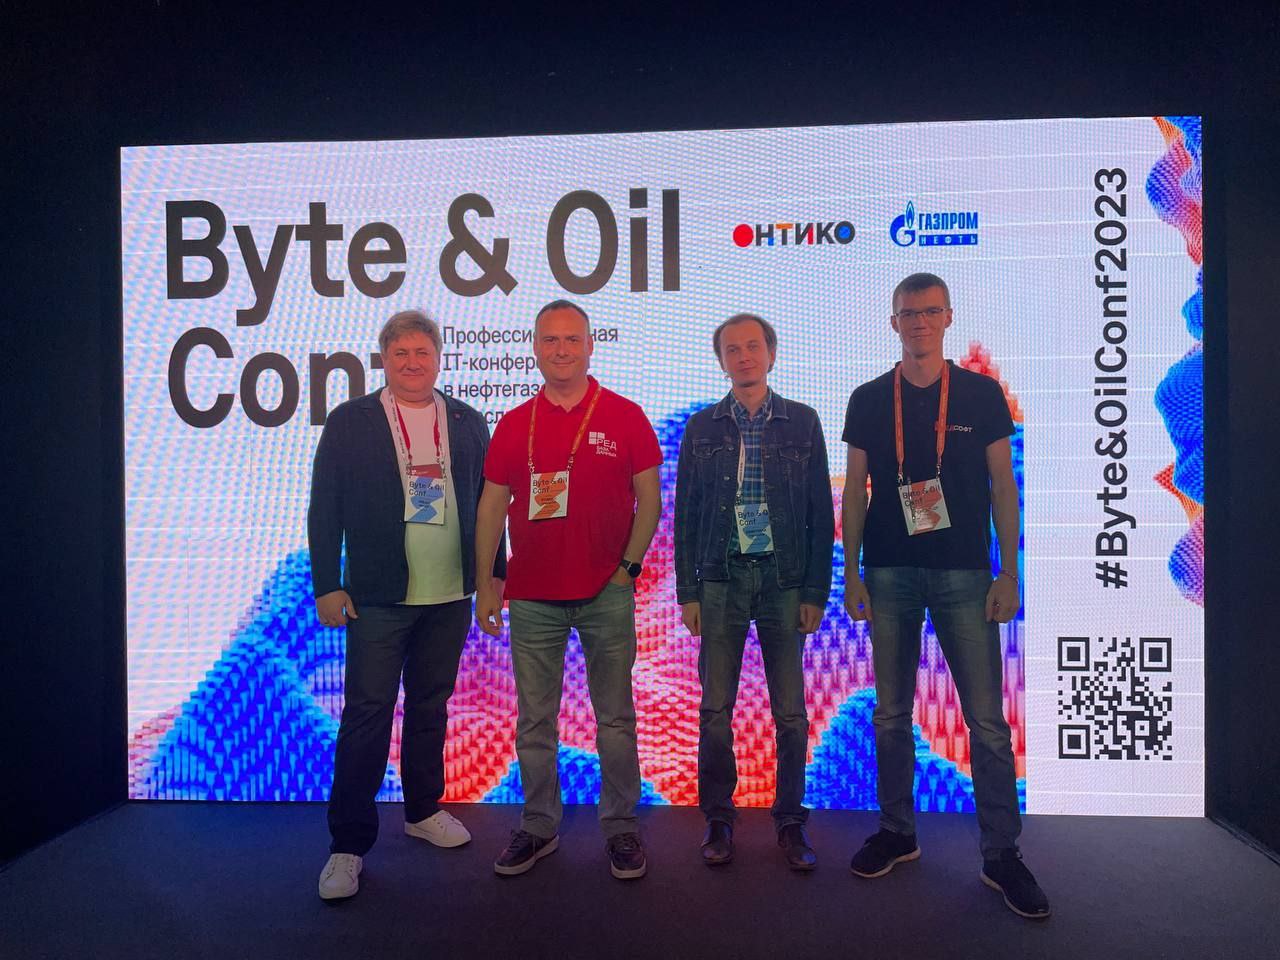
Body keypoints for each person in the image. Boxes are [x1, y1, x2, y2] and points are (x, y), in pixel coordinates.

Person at [841, 273, 1049, 918]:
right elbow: (855, 492)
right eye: (909, 313)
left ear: (948, 317)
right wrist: (851, 573)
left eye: (931, 311)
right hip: (889, 572)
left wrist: (1008, 572)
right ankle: (897, 832)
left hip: (965, 573)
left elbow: (1002, 486)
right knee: (890, 714)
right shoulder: (868, 398)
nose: (920, 322)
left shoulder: (981, 394)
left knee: (985, 721)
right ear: (893, 322)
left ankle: (1001, 855)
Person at [308, 309, 504, 901]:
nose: (412, 363)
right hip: (378, 597)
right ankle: (347, 845)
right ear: (384, 359)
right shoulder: (351, 421)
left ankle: (422, 810)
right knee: (367, 714)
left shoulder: (467, 420)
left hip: (450, 596)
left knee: (430, 707)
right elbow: (325, 505)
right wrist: (326, 583)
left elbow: (490, 507)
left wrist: (493, 577)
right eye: (401, 354)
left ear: (439, 358)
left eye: (422, 353)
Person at [475, 299, 663, 880]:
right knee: (535, 722)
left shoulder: (625, 415)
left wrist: (628, 569)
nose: (561, 350)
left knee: (616, 719)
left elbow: (650, 499)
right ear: (535, 348)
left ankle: (621, 826)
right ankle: (538, 825)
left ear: (589, 346)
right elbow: (491, 508)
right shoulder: (514, 423)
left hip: (606, 592)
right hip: (532, 595)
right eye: (550, 340)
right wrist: (486, 583)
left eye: (572, 339)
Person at [674, 313, 834, 870]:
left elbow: (820, 513)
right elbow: (686, 513)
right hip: (720, 578)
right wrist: (688, 591)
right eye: (732, 349)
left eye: (753, 346)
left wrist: (816, 590)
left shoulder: (802, 421)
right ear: (720, 360)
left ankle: (790, 820)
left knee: (790, 712)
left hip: (783, 579)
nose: (743, 356)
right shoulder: (701, 427)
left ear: (771, 353)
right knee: (714, 709)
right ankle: (718, 818)